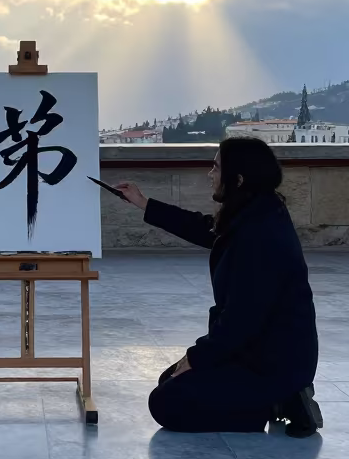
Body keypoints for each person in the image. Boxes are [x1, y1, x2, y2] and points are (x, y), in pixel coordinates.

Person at [115, 137, 323, 437]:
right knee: (167, 380)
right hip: (254, 350)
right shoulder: (253, 209)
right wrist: (143, 203)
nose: (209, 174)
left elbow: (242, 320)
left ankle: (276, 403)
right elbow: (204, 228)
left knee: (165, 403)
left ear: (237, 179)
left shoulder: (259, 235)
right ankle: (268, 400)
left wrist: (196, 356)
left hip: (273, 362)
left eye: (215, 167)